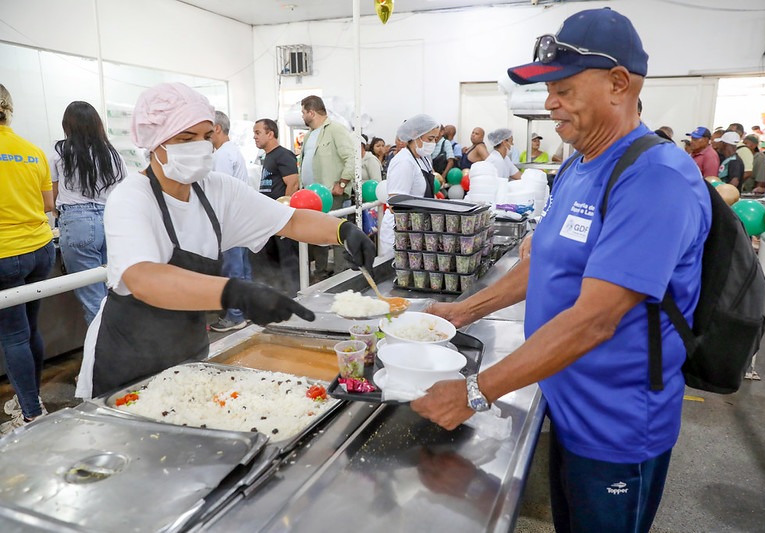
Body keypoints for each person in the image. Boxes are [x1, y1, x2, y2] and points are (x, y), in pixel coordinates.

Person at [410, 9, 711, 533]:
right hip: (565, 402)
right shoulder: (578, 163)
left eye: (564, 89)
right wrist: (461, 311)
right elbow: (545, 261)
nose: (549, 103)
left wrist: (478, 390)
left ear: (619, 84)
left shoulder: (655, 179)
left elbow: (596, 320)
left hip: (616, 427)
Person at [75, 83, 375, 399]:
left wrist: (343, 232)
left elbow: (291, 220)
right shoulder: (131, 197)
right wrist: (236, 292)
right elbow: (144, 278)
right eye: (186, 139)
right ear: (155, 142)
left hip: (186, 359)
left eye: (205, 137)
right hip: (125, 364)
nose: (200, 147)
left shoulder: (216, 190)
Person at [0, 84, 56, 431]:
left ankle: (32, 413)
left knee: (13, 336)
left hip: (5, 254)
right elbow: (48, 205)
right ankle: (27, 398)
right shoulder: (32, 151)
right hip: (40, 249)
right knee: (29, 330)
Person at [51, 101, 127, 325]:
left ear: (68, 125)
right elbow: (123, 194)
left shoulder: (59, 151)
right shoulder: (113, 155)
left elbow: (52, 196)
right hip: (110, 220)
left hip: (77, 223)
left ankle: (103, 355)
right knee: (113, 291)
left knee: (92, 297)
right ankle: (121, 350)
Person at [298, 95, 357, 280]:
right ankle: (321, 271)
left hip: (331, 195)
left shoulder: (335, 130)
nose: (302, 116)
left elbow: (351, 157)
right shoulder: (308, 135)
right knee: (315, 235)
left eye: (303, 112)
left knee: (335, 233)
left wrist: (342, 183)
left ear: (311, 112)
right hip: (311, 195)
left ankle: (340, 273)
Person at [210, 110, 252, 331]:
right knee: (243, 270)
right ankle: (246, 310)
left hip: (230, 221)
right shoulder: (231, 151)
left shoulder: (221, 155)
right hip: (241, 218)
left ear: (217, 128)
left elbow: (221, 191)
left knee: (232, 270)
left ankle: (235, 316)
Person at [378, 114, 440, 256]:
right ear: (415, 135)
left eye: (435, 139)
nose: (433, 143)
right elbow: (396, 204)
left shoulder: (424, 159)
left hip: (417, 227)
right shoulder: (404, 162)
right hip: (401, 231)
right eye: (430, 139)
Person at [253, 118, 300, 295]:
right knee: (273, 255)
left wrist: (284, 211)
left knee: (287, 256)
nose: (254, 137)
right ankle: (280, 290)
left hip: (281, 216)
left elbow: (293, 183)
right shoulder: (268, 157)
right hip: (270, 215)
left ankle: (294, 293)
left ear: (270, 133)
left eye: (258, 133)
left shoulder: (283, 155)